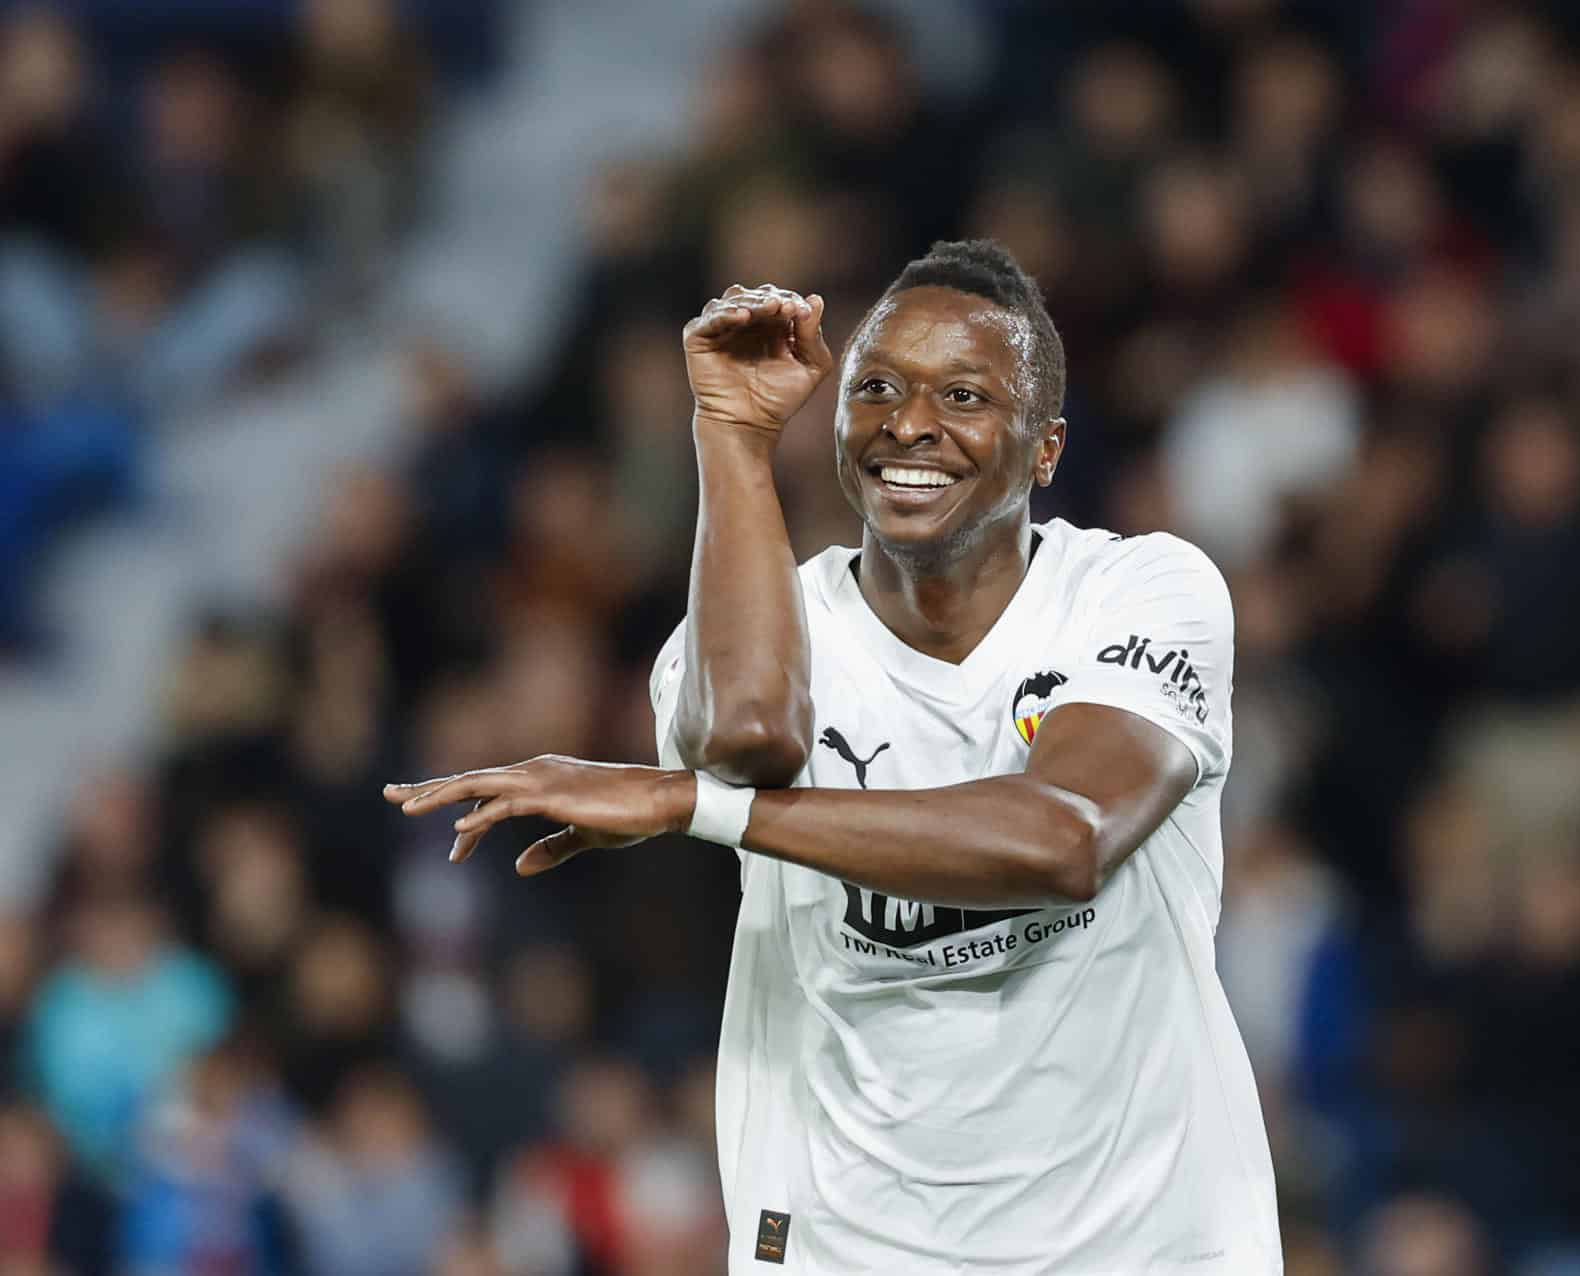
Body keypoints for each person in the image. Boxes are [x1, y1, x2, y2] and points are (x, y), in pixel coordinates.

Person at [385, 240, 1283, 1273]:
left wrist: (695, 807)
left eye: (965, 394)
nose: (910, 423)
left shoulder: (1142, 593)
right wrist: (729, 430)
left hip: (1141, 1246)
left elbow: (1065, 838)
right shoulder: (760, 624)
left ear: (1045, 448)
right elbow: (747, 740)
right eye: (878, 389)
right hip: (848, 1244)